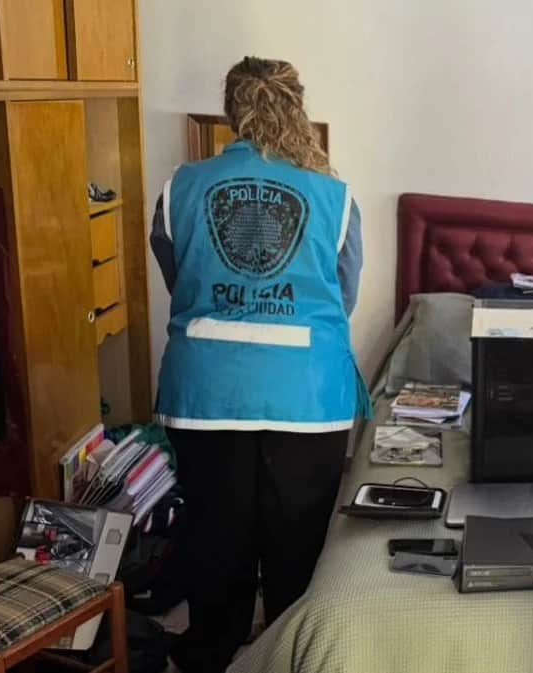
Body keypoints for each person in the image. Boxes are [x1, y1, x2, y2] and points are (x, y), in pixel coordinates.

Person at [149, 56, 371, 673]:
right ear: (295, 106)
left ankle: (211, 653)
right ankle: (288, 655)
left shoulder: (180, 187)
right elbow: (343, 296)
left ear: (232, 112)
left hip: (206, 392)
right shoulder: (334, 197)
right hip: (307, 396)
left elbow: (178, 279)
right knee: (296, 546)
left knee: (216, 536)